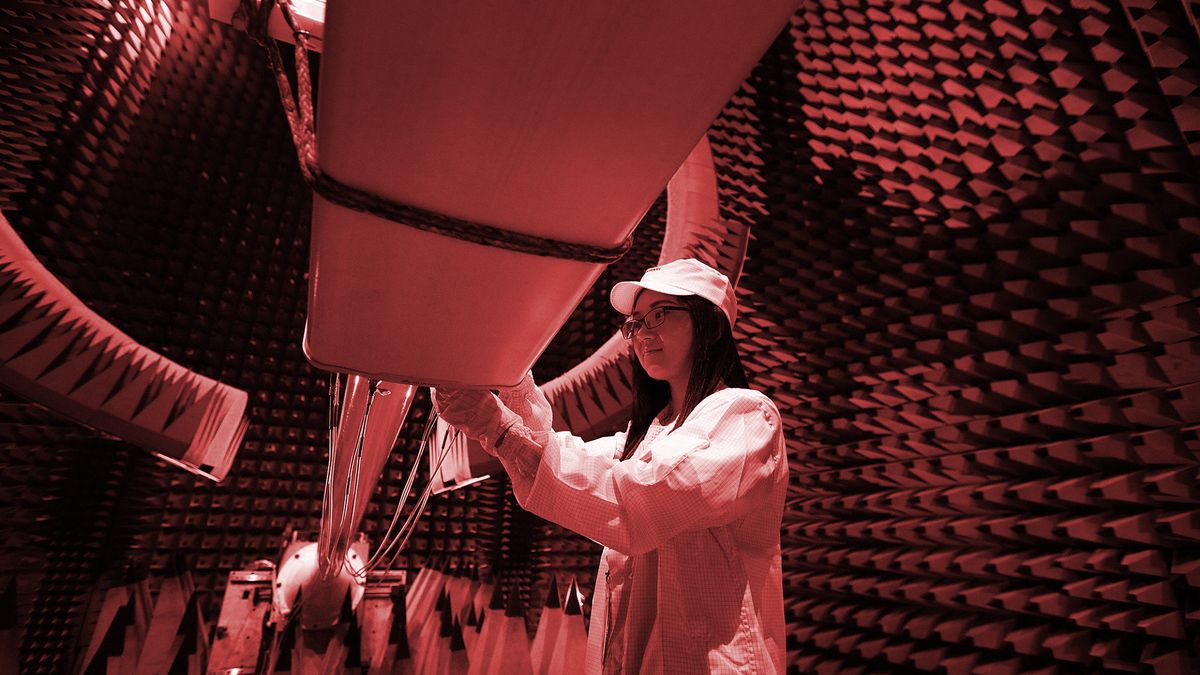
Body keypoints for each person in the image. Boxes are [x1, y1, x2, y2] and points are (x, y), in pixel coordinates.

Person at [433, 258, 788, 674]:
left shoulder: (746, 417)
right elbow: (564, 459)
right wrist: (510, 382)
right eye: (635, 324)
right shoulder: (650, 435)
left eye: (659, 315)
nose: (641, 335)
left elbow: (638, 500)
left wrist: (499, 431)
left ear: (707, 324)